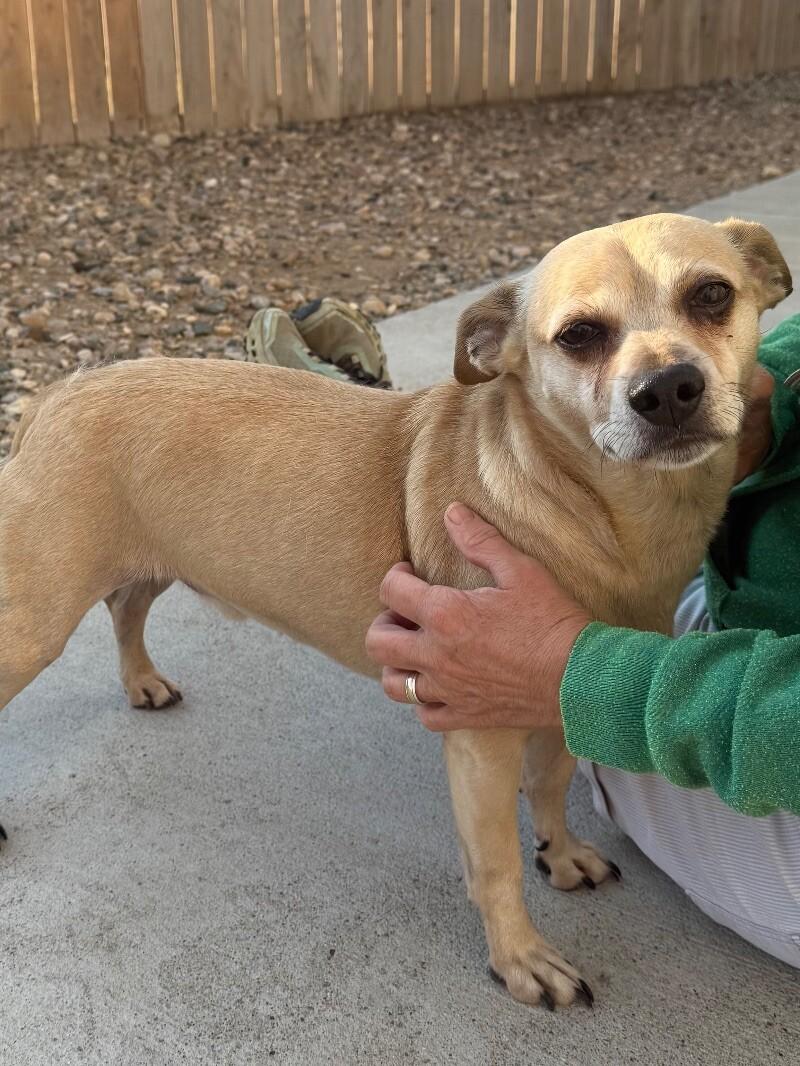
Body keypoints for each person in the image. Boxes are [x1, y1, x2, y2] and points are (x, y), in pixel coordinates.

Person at [366, 313, 800, 969]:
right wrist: (785, 397)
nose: (664, 382)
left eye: (707, 298)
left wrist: (581, 675)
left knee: (524, 677)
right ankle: (370, 414)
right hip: (753, 603)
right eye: (579, 335)